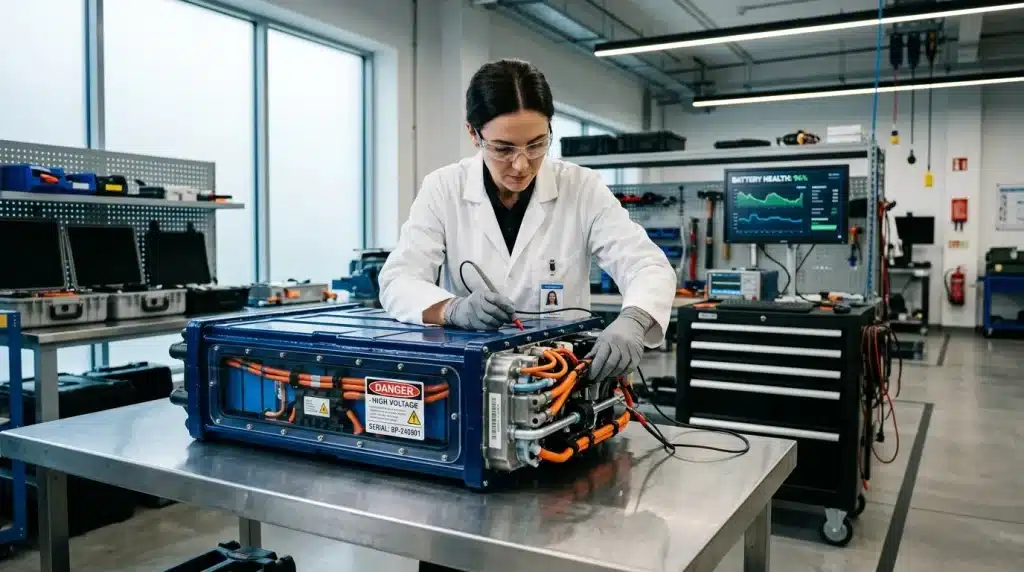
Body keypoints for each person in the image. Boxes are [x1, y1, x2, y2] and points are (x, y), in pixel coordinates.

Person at [378, 58, 675, 381]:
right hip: (471, 376)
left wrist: (634, 318)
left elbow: (647, 265)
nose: (521, 165)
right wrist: (451, 309)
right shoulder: (444, 188)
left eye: (536, 145)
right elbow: (398, 281)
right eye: (503, 149)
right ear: (474, 134)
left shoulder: (582, 188)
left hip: (560, 376)